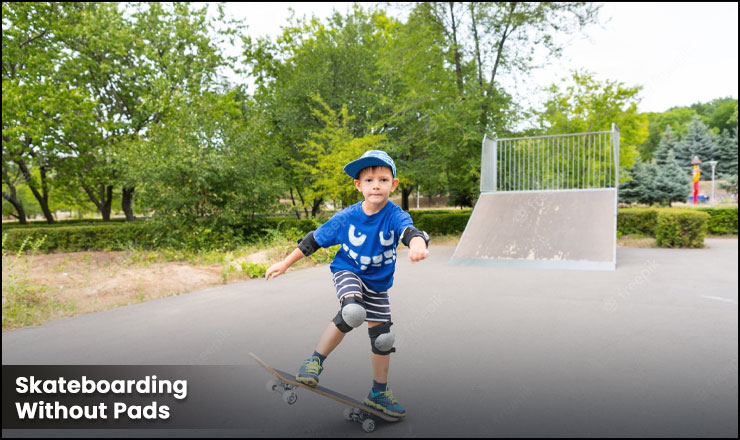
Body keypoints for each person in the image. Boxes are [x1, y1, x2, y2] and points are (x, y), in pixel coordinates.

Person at [264, 150, 430, 418]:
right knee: (353, 312)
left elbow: (410, 232)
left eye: (383, 180)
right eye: (369, 180)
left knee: (384, 339)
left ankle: (378, 392)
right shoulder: (346, 217)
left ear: (394, 184)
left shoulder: (394, 215)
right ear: (358, 185)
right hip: (348, 271)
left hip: (377, 284)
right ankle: (314, 361)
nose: (376, 185)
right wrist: (285, 263)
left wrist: (418, 244)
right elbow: (314, 240)